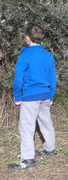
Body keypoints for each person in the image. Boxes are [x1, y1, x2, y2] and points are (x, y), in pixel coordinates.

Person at [9, 25, 57, 170]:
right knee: (46, 122)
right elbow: (52, 77)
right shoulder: (48, 56)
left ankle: (28, 159)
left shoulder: (25, 55)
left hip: (30, 96)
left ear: (27, 38)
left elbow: (18, 78)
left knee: (26, 127)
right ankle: (50, 149)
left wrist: (17, 95)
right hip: (45, 95)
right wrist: (51, 94)